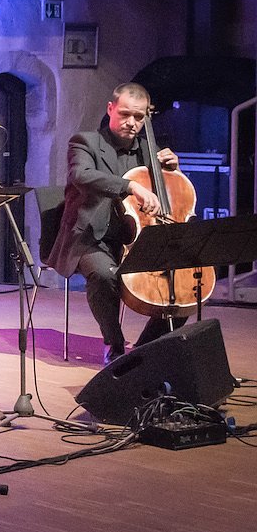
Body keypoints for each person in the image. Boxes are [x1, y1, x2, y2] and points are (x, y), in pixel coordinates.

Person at [45, 82, 184, 363]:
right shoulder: (85, 142)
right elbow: (81, 175)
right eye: (125, 114)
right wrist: (130, 186)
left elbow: (168, 195)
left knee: (181, 286)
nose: (131, 122)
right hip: (91, 237)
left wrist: (173, 170)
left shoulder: (149, 149)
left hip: (136, 237)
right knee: (104, 275)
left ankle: (144, 350)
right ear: (110, 109)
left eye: (139, 117)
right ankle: (114, 344)